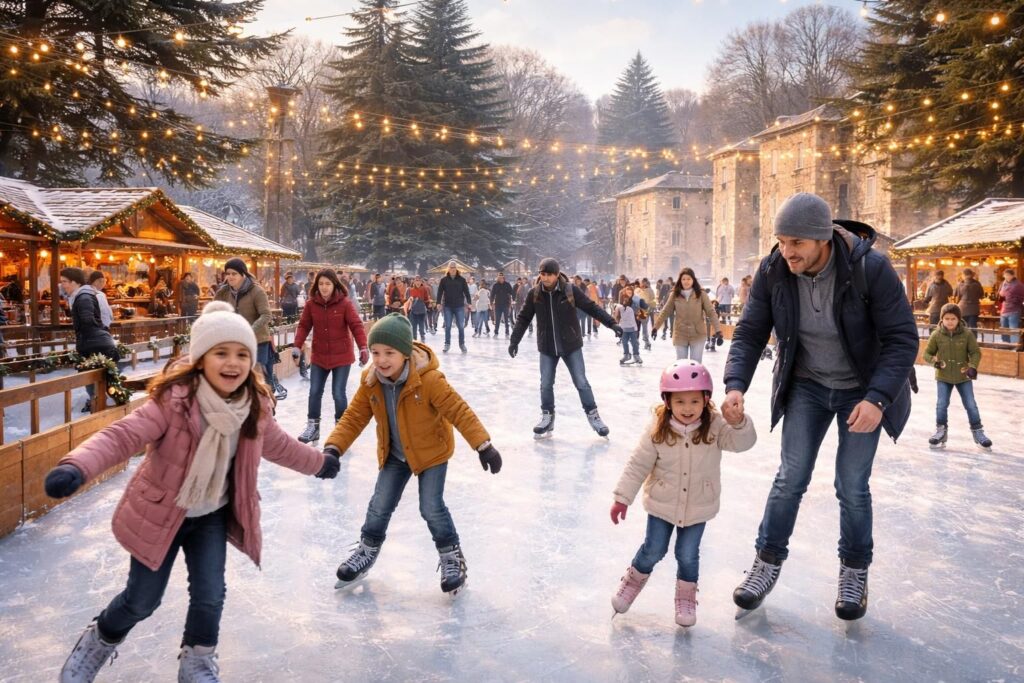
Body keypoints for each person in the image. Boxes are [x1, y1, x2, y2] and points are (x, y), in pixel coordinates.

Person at [44, 301, 338, 683]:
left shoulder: (254, 408)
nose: (232, 363)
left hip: (211, 516)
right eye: (221, 353)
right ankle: (98, 641)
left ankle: (197, 661)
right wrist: (77, 466)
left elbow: (281, 446)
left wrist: (319, 463)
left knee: (211, 595)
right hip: (161, 511)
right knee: (142, 600)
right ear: (200, 359)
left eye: (241, 354)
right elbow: (124, 435)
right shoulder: (174, 402)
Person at [722, 192, 918, 621]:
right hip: (808, 386)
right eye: (781, 240)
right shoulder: (774, 269)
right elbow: (751, 331)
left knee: (851, 485)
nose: (787, 251)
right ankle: (766, 562)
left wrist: (877, 399)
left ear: (822, 239)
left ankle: (854, 570)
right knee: (789, 477)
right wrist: (736, 384)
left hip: (862, 390)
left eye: (796, 243)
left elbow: (904, 339)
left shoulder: (871, 268)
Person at [323, 314, 502, 594]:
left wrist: (483, 445)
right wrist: (333, 448)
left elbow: (458, 410)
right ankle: (366, 550)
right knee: (379, 504)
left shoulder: (429, 380)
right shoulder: (371, 382)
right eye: (375, 352)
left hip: (431, 453)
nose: (381, 360)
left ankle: (451, 556)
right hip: (395, 454)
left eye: (389, 353)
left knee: (431, 506)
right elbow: (353, 418)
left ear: (405, 353)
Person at [609, 359, 756, 627]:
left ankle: (686, 597)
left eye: (694, 401)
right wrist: (622, 498)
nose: (687, 409)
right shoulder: (657, 429)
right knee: (654, 548)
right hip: (662, 504)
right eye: (680, 402)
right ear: (667, 402)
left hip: (698, 506)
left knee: (688, 554)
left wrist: (739, 422)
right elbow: (638, 464)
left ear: (706, 399)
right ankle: (632, 581)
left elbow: (743, 443)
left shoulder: (715, 426)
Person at [508, 258, 622, 439]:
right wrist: (514, 341)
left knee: (581, 382)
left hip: (571, 345)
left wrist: (612, 323)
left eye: (549, 274)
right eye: (542, 274)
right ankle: (547, 417)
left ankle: (594, 417)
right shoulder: (535, 293)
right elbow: (524, 318)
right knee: (545, 384)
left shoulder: (570, 290)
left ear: (556, 274)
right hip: (547, 346)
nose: (545, 278)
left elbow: (591, 307)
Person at [292, 269, 369, 444]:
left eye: (328, 283)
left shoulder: (345, 304)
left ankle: (341, 429)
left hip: (342, 356)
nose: (324, 287)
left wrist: (363, 347)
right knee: (314, 391)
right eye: (321, 284)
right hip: (320, 356)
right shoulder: (312, 304)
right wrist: (297, 345)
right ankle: (313, 427)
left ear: (334, 284)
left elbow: (356, 325)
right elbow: (304, 326)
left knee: (338, 393)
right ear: (316, 286)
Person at [923, 303, 991, 450]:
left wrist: (972, 366)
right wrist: (934, 362)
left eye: (953, 318)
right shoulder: (936, 334)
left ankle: (978, 432)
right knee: (941, 404)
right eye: (946, 318)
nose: (950, 322)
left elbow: (975, 352)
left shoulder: (966, 334)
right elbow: (927, 353)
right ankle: (941, 431)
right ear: (942, 319)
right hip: (943, 376)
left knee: (970, 404)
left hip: (963, 376)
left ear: (959, 319)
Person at [214, 258, 282, 400]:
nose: (230, 277)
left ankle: (265, 408)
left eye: (234, 274)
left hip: (258, 342)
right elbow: (216, 312)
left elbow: (266, 315)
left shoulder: (256, 291)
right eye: (228, 273)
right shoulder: (224, 292)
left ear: (243, 274)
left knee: (257, 379)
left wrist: (249, 330)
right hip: (236, 343)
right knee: (239, 377)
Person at [59, 268, 120, 413]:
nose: (63, 285)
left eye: (65, 282)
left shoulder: (83, 297)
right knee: (100, 382)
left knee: (94, 382)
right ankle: (101, 409)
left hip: (94, 344)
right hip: (98, 341)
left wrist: (88, 336)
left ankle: (101, 413)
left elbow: (88, 321)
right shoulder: (83, 295)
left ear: (75, 282)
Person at [653, 268, 722, 362]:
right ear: (680, 280)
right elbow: (665, 311)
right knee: (682, 367)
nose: (686, 281)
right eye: (683, 279)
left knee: (695, 366)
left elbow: (711, 312)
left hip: (698, 335)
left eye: (688, 279)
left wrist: (718, 331)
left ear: (693, 280)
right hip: (680, 334)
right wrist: (655, 327)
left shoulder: (701, 294)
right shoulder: (674, 294)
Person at [436, 261, 471, 353]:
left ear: (456, 268)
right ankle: (447, 344)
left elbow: (466, 292)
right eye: (451, 267)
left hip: (459, 306)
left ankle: (462, 344)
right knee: (447, 326)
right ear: (448, 268)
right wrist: (438, 303)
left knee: (460, 326)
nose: (452, 269)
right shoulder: (444, 280)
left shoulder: (462, 280)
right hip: (448, 306)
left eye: (454, 267)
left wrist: (469, 302)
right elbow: (440, 292)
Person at [614, 286, 645, 365]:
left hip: (633, 327)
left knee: (635, 342)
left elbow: (640, 314)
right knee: (624, 342)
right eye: (627, 293)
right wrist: (616, 327)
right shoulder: (620, 306)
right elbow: (617, 316)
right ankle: (626, 355)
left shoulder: (634, 303)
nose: (628, 295)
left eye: (630, 293)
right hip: (623, 327)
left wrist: (640, 316)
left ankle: (636, 355)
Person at [997, 267, 1024, 344]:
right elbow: (1000, 296)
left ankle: (1014, 346)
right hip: (1004, 310)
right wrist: (1000, 305)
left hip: (1014, 310)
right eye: (1006, 275)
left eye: (1009, 275)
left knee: (1013, 330)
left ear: (1013, 276)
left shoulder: (1018, 285)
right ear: (1004, 276)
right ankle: (1006, 345)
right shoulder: (1003, 284)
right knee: (1004, 329)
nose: (1007, 277)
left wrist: (1016, 301)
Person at [404, 275, 433, 343]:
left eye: (419, 280)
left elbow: (426, 299)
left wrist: (429, 304)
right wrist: (409, 300)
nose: (418, 282)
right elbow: (405, 300)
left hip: (421, 309)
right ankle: (414, 338)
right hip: (413, 310)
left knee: (421, 325)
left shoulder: (424, 289)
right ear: (414, 281)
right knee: (413, 326)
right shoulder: (409, 289)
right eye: (416, 280)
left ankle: (422, 336)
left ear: (421, 281)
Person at [491, 272, 514, 338]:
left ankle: (507, 332)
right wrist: (491, 302)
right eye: (499, 277)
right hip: (498, 305)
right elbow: (492, 294)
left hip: (505, 304)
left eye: (502, 277)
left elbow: (512, 292)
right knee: (497, 320)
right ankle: (496, 333)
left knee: (506, 320)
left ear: (504, 277)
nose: (501, 278)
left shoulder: (507, 284)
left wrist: (513, 299)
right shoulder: (495, 285)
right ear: (498, 278)